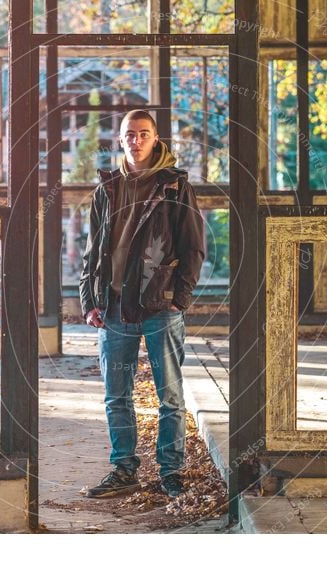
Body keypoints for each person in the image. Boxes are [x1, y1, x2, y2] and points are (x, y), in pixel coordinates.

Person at [79, 109, 205, 498]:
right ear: (120, 140)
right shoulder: (107, 189)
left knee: (169, 394)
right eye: (130, 134)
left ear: (156, 138)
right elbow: (92, 252)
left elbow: (194, 248)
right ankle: (124, 470)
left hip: (159, 305)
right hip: (114, 306)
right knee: (116, 394)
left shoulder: (175, 186)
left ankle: (170, 472)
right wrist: (89, 301)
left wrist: (177, 299)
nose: (136, 140)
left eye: (144, 134)